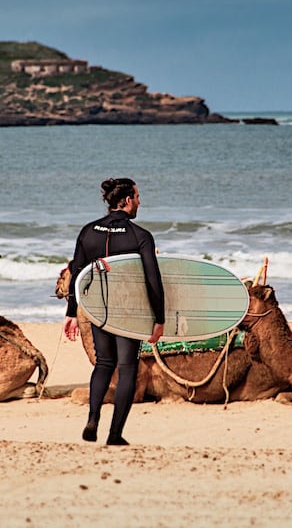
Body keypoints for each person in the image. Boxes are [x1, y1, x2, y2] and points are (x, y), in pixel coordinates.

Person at [63, 178, 165, 446]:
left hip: (99, 310)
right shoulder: (140, 236)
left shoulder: (87, 231)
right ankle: (115, 433)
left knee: (104, 364)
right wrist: (159, 318)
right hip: (128, 311)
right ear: (128, 200)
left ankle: (93, 418)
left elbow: (77, 276)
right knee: (128, 367)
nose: (140, 201)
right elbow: (153, 281)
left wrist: (71, 312)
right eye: (138, 196)